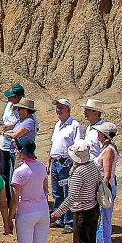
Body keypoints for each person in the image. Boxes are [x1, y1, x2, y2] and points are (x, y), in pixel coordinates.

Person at [52, 139, 103, 243]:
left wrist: (57, 213)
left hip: (81, 211)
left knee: (80, 242)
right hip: (93, 208)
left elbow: (71, 197)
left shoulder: (79, 172)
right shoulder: (93, 166)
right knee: (90, 239)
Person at [8, 141, 50, 243]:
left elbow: (15, 197)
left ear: (22, 152)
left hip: (26, 213)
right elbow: (45, 189)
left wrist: (10, 217)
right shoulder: (40, 167)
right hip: (42, 211)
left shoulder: (20, 171)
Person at [47, 98, 82, 232]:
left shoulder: (74, 125)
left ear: (68, 110)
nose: (58, 110)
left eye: (61, 108)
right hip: (55, 163)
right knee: (57, 192)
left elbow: (78, 145)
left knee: (68, 192)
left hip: (66, 163)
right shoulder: (57, 125)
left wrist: (74, 164)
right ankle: (59, 218)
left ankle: (69, 221)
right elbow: (54, 144)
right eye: (57, 108)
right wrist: (49, 159)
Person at [94, 121, 119, 243]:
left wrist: (101, 190)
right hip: (107, 187)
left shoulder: (108, 150)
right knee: (103, 219)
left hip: (106, 188)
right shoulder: (107, 148)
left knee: (104, 219)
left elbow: (107, 174)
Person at [0, 84, 24, 198]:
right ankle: (4, 197)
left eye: (11, 97)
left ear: (18, 97)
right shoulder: (8, 105)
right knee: (3, 173)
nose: (8, 99)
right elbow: (6, 120)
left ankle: (14, 199)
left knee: (14, 174)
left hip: (15, 146)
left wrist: (7, 127)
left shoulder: (24, 110)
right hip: (4, 144)